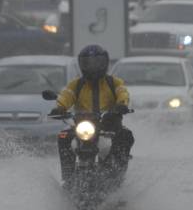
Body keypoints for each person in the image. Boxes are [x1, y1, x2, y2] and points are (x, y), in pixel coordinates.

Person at [50, 44, 134, 188]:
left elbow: (123, 93)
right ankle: (68, 177)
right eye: (88, 63)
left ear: (104, 63)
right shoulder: (76, 84)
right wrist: (59, 108)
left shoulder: (113, 82)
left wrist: (121, 105)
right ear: (82, 64)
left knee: (125, 136)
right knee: (63, 137)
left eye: (97, 63)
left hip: (109, 124)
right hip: (83, 126)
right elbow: (66, 95)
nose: (92, 67)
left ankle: (116, 175)